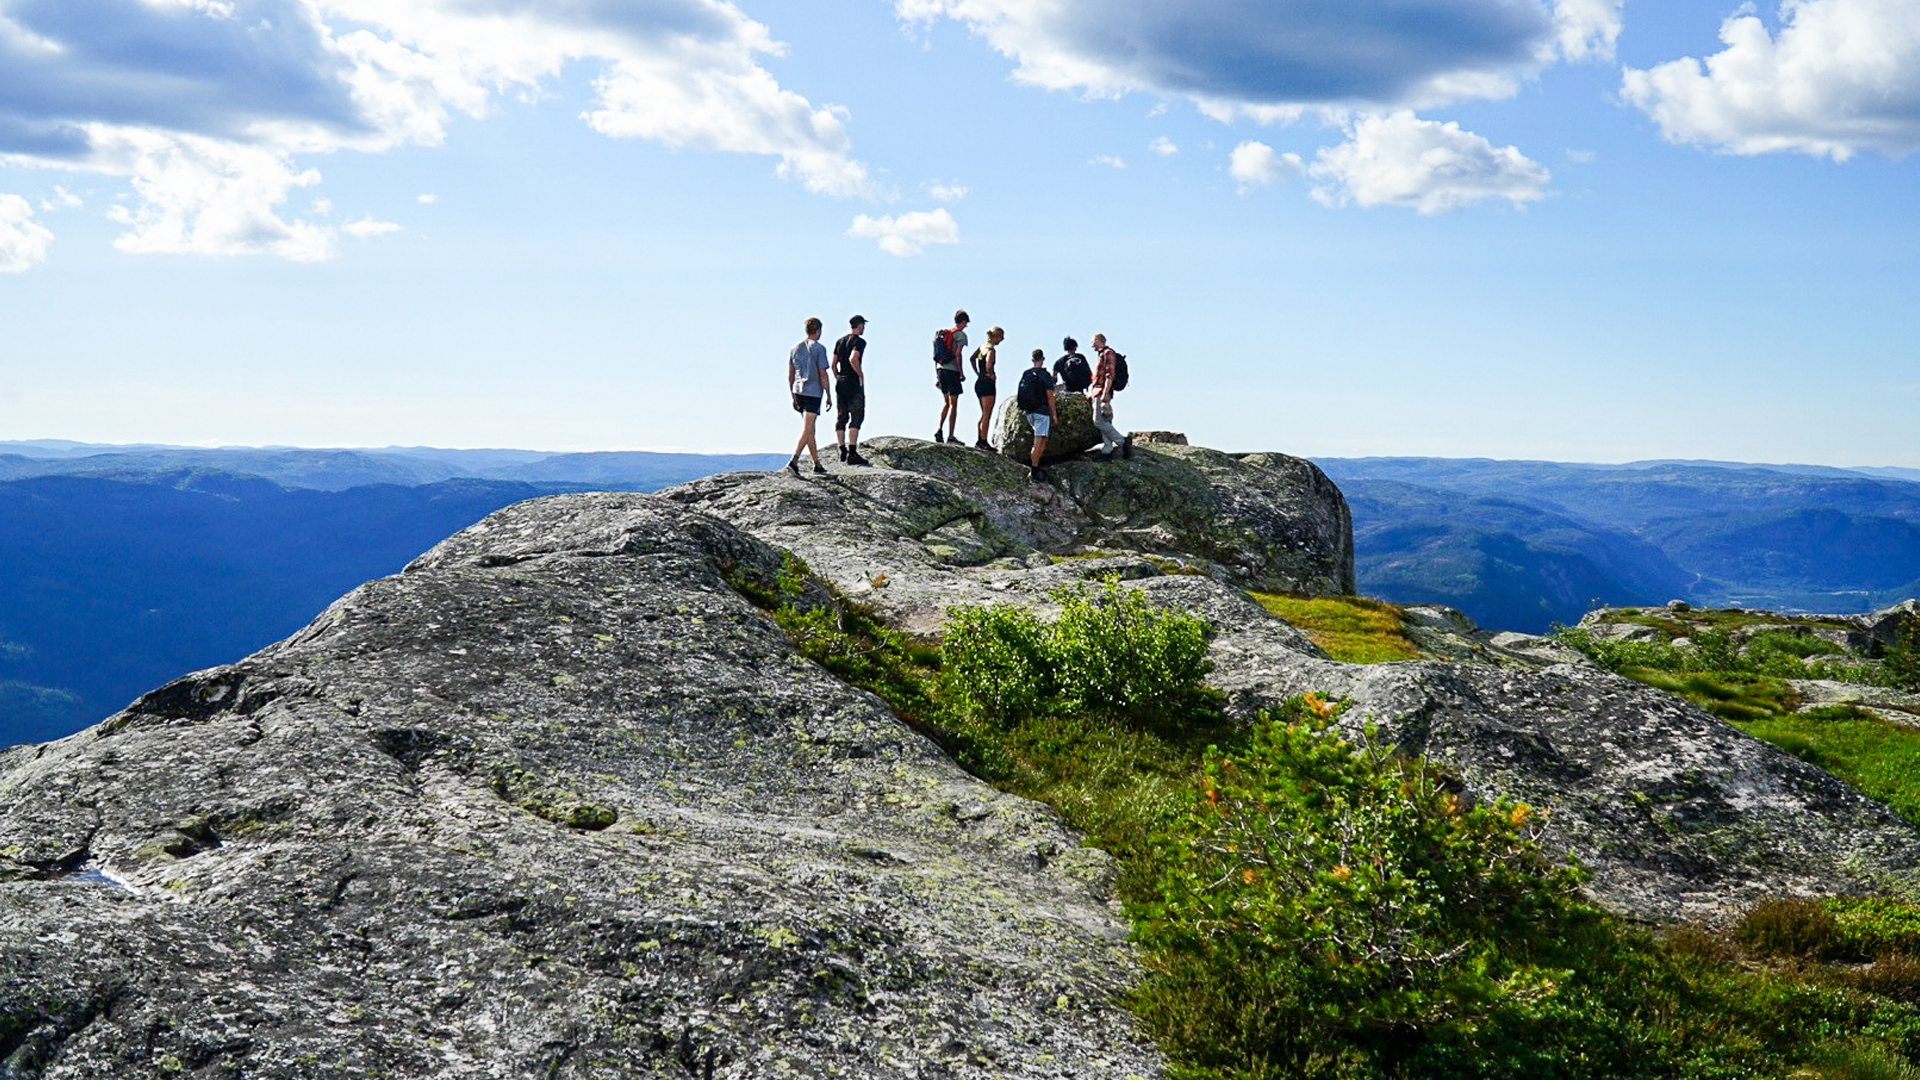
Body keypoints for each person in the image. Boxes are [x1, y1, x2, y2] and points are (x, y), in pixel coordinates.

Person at [785, 317, 831, 475]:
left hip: (799, 391)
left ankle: (817, 463)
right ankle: (794, 460)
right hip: (813, 392)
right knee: (807, 428)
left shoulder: (795, 348)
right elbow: (823, 373)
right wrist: (829, 394)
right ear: (818, 330)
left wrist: (792, 394)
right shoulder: (819, 349)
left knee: (810, 429)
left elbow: (790, 375)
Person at [832, 315, 871, 466]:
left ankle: (842, 449)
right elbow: (853, 358)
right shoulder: (859, 342)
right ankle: (852, 452)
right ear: (860, 326)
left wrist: (838, 377)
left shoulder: (840, 341)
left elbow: (834, 364)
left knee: (841, 416)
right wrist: (859, 374)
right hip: (853, 382)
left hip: (841, 381)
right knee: (856, 415)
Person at [1015, 347, 1058, 482]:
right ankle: (1034, 469)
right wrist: (1054, 414)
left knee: (1042, 439)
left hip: (1029, 412)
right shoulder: (1044, 375)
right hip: (1041, 412)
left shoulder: (1026, 373)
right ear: (1043, 359)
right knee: (1038, 442)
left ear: (1032, 360)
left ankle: (1036, 464)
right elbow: (1050, 396)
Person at [1089, 332, 1132, 460]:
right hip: (1098, 391)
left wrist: (1105, 393)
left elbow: (1109, 375)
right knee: (1105, 419)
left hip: (1102, 391)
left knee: (1098, 421)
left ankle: (1122, 441)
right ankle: (1107, 450)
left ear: (1098, 340)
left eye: (1092, 341)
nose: (1091, 345)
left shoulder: (1108, 353)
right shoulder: (1102, 354)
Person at [934, 309, 968, 443]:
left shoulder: (943, 334)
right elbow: (958, 354)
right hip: (952, 370)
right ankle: (951, 435)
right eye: (965, 323)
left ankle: (939, 429)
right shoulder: (960, 335)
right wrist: (961, 372)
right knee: (954, 404)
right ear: (963, 322)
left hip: (941, 370)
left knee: (946, 403)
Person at [970, 326, 1002, 450]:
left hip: (979, 382)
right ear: (996, 337)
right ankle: (983, 441)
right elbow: (989, 363)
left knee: (983, 413)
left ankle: (980, 439)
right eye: (1001, 337)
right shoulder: (991, 350)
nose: (1001, 340)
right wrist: (990, 374)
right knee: (987, 414)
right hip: (988, 384)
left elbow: (972, 359)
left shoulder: (981, 347)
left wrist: (978, 373)